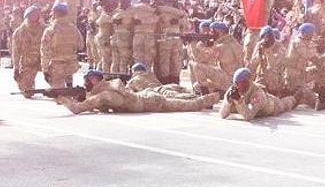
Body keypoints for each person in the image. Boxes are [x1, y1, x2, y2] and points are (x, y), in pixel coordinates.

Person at [56, 69, 219, 114]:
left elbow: (78, 109)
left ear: (94, 81)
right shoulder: (108, 87)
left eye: (87, 81)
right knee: (180, 99)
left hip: (150, 102)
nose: (85, 85)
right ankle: (205, 96)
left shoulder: (105, 94)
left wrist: (62, 99)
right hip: (147, 97)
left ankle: (212, 97)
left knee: (190, 105)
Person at [220, 67, 298, 121]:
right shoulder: (232, 91)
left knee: (285, 104)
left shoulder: (257, 93)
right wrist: (228, 101)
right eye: (238, 83)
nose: (240, 85)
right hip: (255, 109)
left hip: (273, 106)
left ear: (249, 81)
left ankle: (296, 97)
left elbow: (249, 116)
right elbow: (222, 115)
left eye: (243, 82)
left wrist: (239, 102)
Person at [41, 2, 84, 89]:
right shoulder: (73, 28)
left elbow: (45, 51)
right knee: (68, 74)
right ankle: (69, 85)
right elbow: (81, 46)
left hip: (57, 67)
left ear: (54, 13)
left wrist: (45, 70)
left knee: (58, 93)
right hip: (72, 65)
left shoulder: (50, 30)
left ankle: (63, 92)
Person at [12, 5, 45, 97]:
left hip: (43, 60)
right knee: (27, 92)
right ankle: (29, 83)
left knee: (58, 73)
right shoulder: (19, 32)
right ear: (27, 16)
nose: (35, 16)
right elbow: (15, 52)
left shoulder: (45, 29)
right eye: (32, 14)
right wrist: (16, 68)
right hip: (28, 62)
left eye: (36, 14)